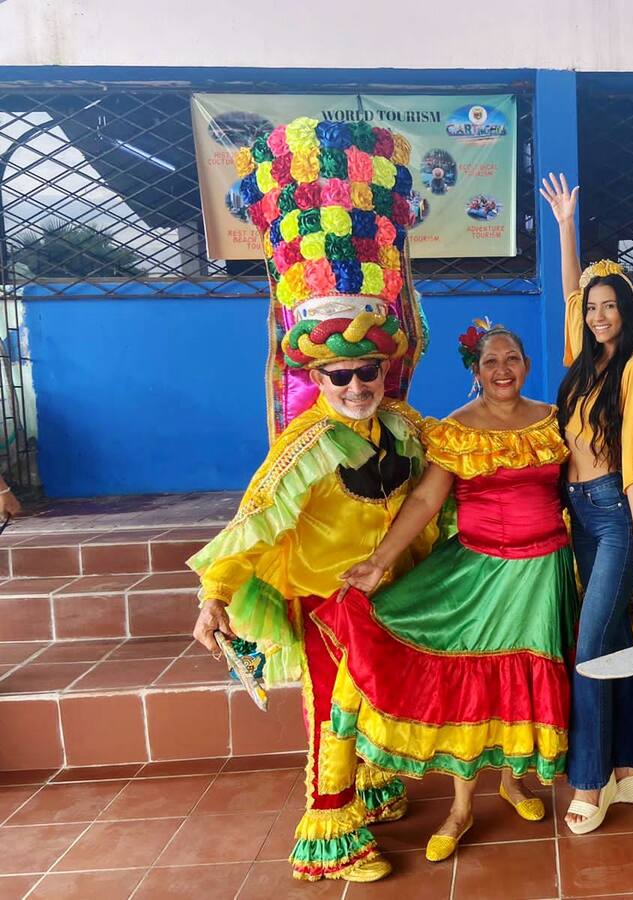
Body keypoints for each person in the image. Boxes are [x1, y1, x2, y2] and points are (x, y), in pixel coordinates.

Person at [188, 116, 431, 884]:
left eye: (369, 372)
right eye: (342, 377)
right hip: (324, 595)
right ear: (316, 380)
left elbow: (447, 488)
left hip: (388, 588)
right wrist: (214, 596)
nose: (359, 387)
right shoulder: (304, 446)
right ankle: (329, 830)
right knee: (336, 705)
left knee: (374, 696)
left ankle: (374, 787)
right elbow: (253, 524)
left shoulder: (406, 428)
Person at [316, 322, 576, 863]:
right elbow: (425, 503)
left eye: (511, 359)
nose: (502, 370)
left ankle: (513, 781)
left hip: (544, 572)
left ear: (526, 365)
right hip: (478, 575)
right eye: (490, 363)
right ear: (475, 372)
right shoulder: (457, 429)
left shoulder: (555, 422)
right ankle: (461, 809)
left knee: (522, 677)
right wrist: (378, 562)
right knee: (474, 681)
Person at [540, 173, 633, 833]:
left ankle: (588, 780)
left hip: (618, 520)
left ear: (627, 309)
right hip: (579, 518)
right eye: (592, 308)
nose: (596, 315)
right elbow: (568, 295)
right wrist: (565, 225)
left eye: (608, 306)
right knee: (612, 636)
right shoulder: (582, 364)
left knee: (590, 647)